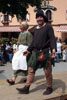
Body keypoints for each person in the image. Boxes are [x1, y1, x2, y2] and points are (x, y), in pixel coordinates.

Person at [16, 11, 56, 95]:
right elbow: (34, 42)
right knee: (31, 70)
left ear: (43, 18)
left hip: (44, 52)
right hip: (35, 52)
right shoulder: (35, 29)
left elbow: (52, 38)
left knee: (47, 71)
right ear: (36, 19)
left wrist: (53, 49)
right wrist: (29, 50)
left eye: (41, 17)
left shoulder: (48, 27)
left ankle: (49, 87)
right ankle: (26, 88)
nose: (39, 19)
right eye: (37, 17)